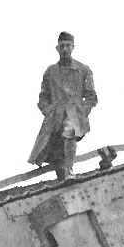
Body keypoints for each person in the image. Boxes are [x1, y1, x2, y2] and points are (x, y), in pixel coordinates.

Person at [27, 31, 98, 181]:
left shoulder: (84, 70)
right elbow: (43, 97)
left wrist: (82, 112)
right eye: (62, 46)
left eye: (68, 45)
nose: (65, 49)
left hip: (75, 115)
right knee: (55, 152)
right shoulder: (50, 72)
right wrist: (48, 111)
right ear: (57, 48)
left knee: (69, 132)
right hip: (54, 117)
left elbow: (92, 97)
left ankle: (69, 171)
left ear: (73, 47)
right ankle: (64, 177)